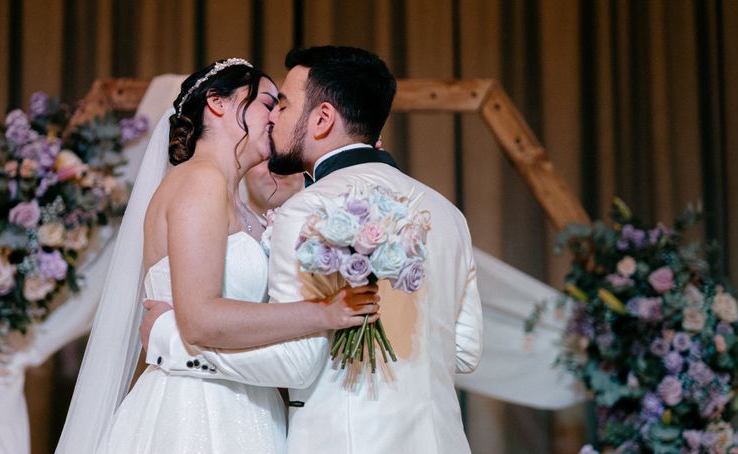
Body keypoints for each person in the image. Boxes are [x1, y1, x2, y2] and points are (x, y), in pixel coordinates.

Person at [143, 46, 483, 453]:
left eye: (283, 105)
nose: (274, 117)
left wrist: (171, 342)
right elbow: (464, 352)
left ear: (322, 119)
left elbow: (296, 363)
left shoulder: (308, 210)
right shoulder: (448, 215)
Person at [56, 58, 380, 453]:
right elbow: (201, 318)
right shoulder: (199, 180)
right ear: (218, 103)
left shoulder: (242, 206)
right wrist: (323, 313)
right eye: (267, 103)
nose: (277, 117)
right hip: (194, 411)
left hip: (249, 405)